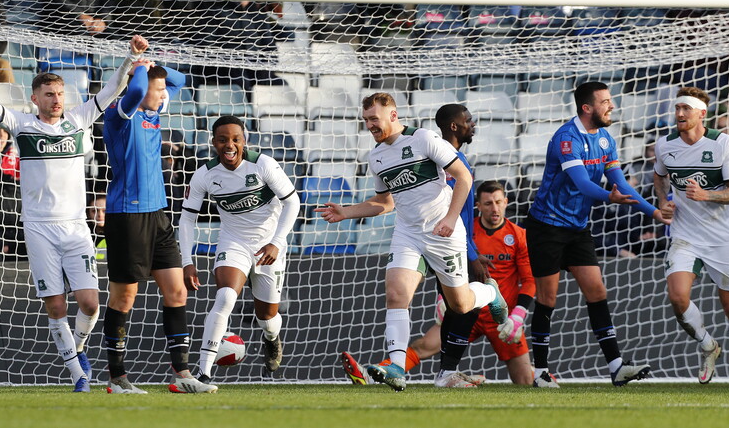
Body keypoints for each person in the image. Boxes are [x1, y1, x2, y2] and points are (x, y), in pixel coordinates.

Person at [0, 36, 146, 392]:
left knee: (90, 304)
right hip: (39, 228)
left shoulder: (78, 120)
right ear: (35, 98)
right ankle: (79, 376)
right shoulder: (22, 125)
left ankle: (76, 347)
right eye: (48, 94)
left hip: (76, 226)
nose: (56, 100)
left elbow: (112, 89)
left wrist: (130, 57)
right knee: (56, 304)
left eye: (59, 93)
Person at [316, 92, 508, 391]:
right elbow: (385, 201)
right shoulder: (376, 157)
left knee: (460, 305)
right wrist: (347, 212)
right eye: (365, 120)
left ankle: (489, 293)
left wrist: (449, 218)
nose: (369, 125)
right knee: (395, 294)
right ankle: (395, 365)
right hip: (408, 233)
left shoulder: (424, 139)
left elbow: (465, 177)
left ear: (393, 115)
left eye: (374, 119)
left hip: (445, 232)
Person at [524, 81, 670, 387]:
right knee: (548, 297)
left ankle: (617, 366)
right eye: (605, 101)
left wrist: (653, 211)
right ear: (586, 108)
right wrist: (609, 197)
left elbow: (622, 184)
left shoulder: (605, 139)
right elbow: (581, 183)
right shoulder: (567, 138)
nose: (612, 105)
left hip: (577, 228)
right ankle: (539, 371)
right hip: (547, 227)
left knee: (597, 291)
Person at [101, 47, 218, 394]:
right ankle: (118, 378)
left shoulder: (155, 110)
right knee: (124, 297)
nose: (165, 93)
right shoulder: (120, 113)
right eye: (159, 89)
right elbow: (136, 90)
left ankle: (182, 375)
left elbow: (180, 80)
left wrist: (157, 67)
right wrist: (139, 67)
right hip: (127, 215)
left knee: (177, 290)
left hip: (158, 214)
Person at [342, 180, 537, 386]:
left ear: (506, 202)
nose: (494, 208)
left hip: (501, 319)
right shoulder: (464, 233)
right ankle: (370, 377)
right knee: (424, 345)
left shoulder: (518, 235)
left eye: (498, 202)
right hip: (465, 306)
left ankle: (541, 373)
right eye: (488, 204)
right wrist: (441, 299)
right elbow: (442, 262)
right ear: (477, 206)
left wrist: (517, 316)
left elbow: (529, 280)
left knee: (524, 379)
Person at [179, 116, 300, 381]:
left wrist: (276, 243)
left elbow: (293, 203)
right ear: (214, 142)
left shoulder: (263, 164)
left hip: (269, 244)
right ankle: (204, 373)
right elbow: (187, 217)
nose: (229, 145)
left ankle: (272, 338)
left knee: (267, 317)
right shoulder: (205, 174)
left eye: (235, 139)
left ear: (244, 141)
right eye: (223, 140)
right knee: (225, 298)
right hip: (233, 242)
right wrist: (186, 260)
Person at [652, 87, 729, 389]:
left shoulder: (723, 143)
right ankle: (708, 345)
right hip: (685, 234)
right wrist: (662, 200)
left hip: (721, 238)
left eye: (686, 109)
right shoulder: (664, 145)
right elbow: (659, 176)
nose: (680, 114)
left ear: (702, 113)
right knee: (677, 296)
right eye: (677, 108)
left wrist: (706, 193)